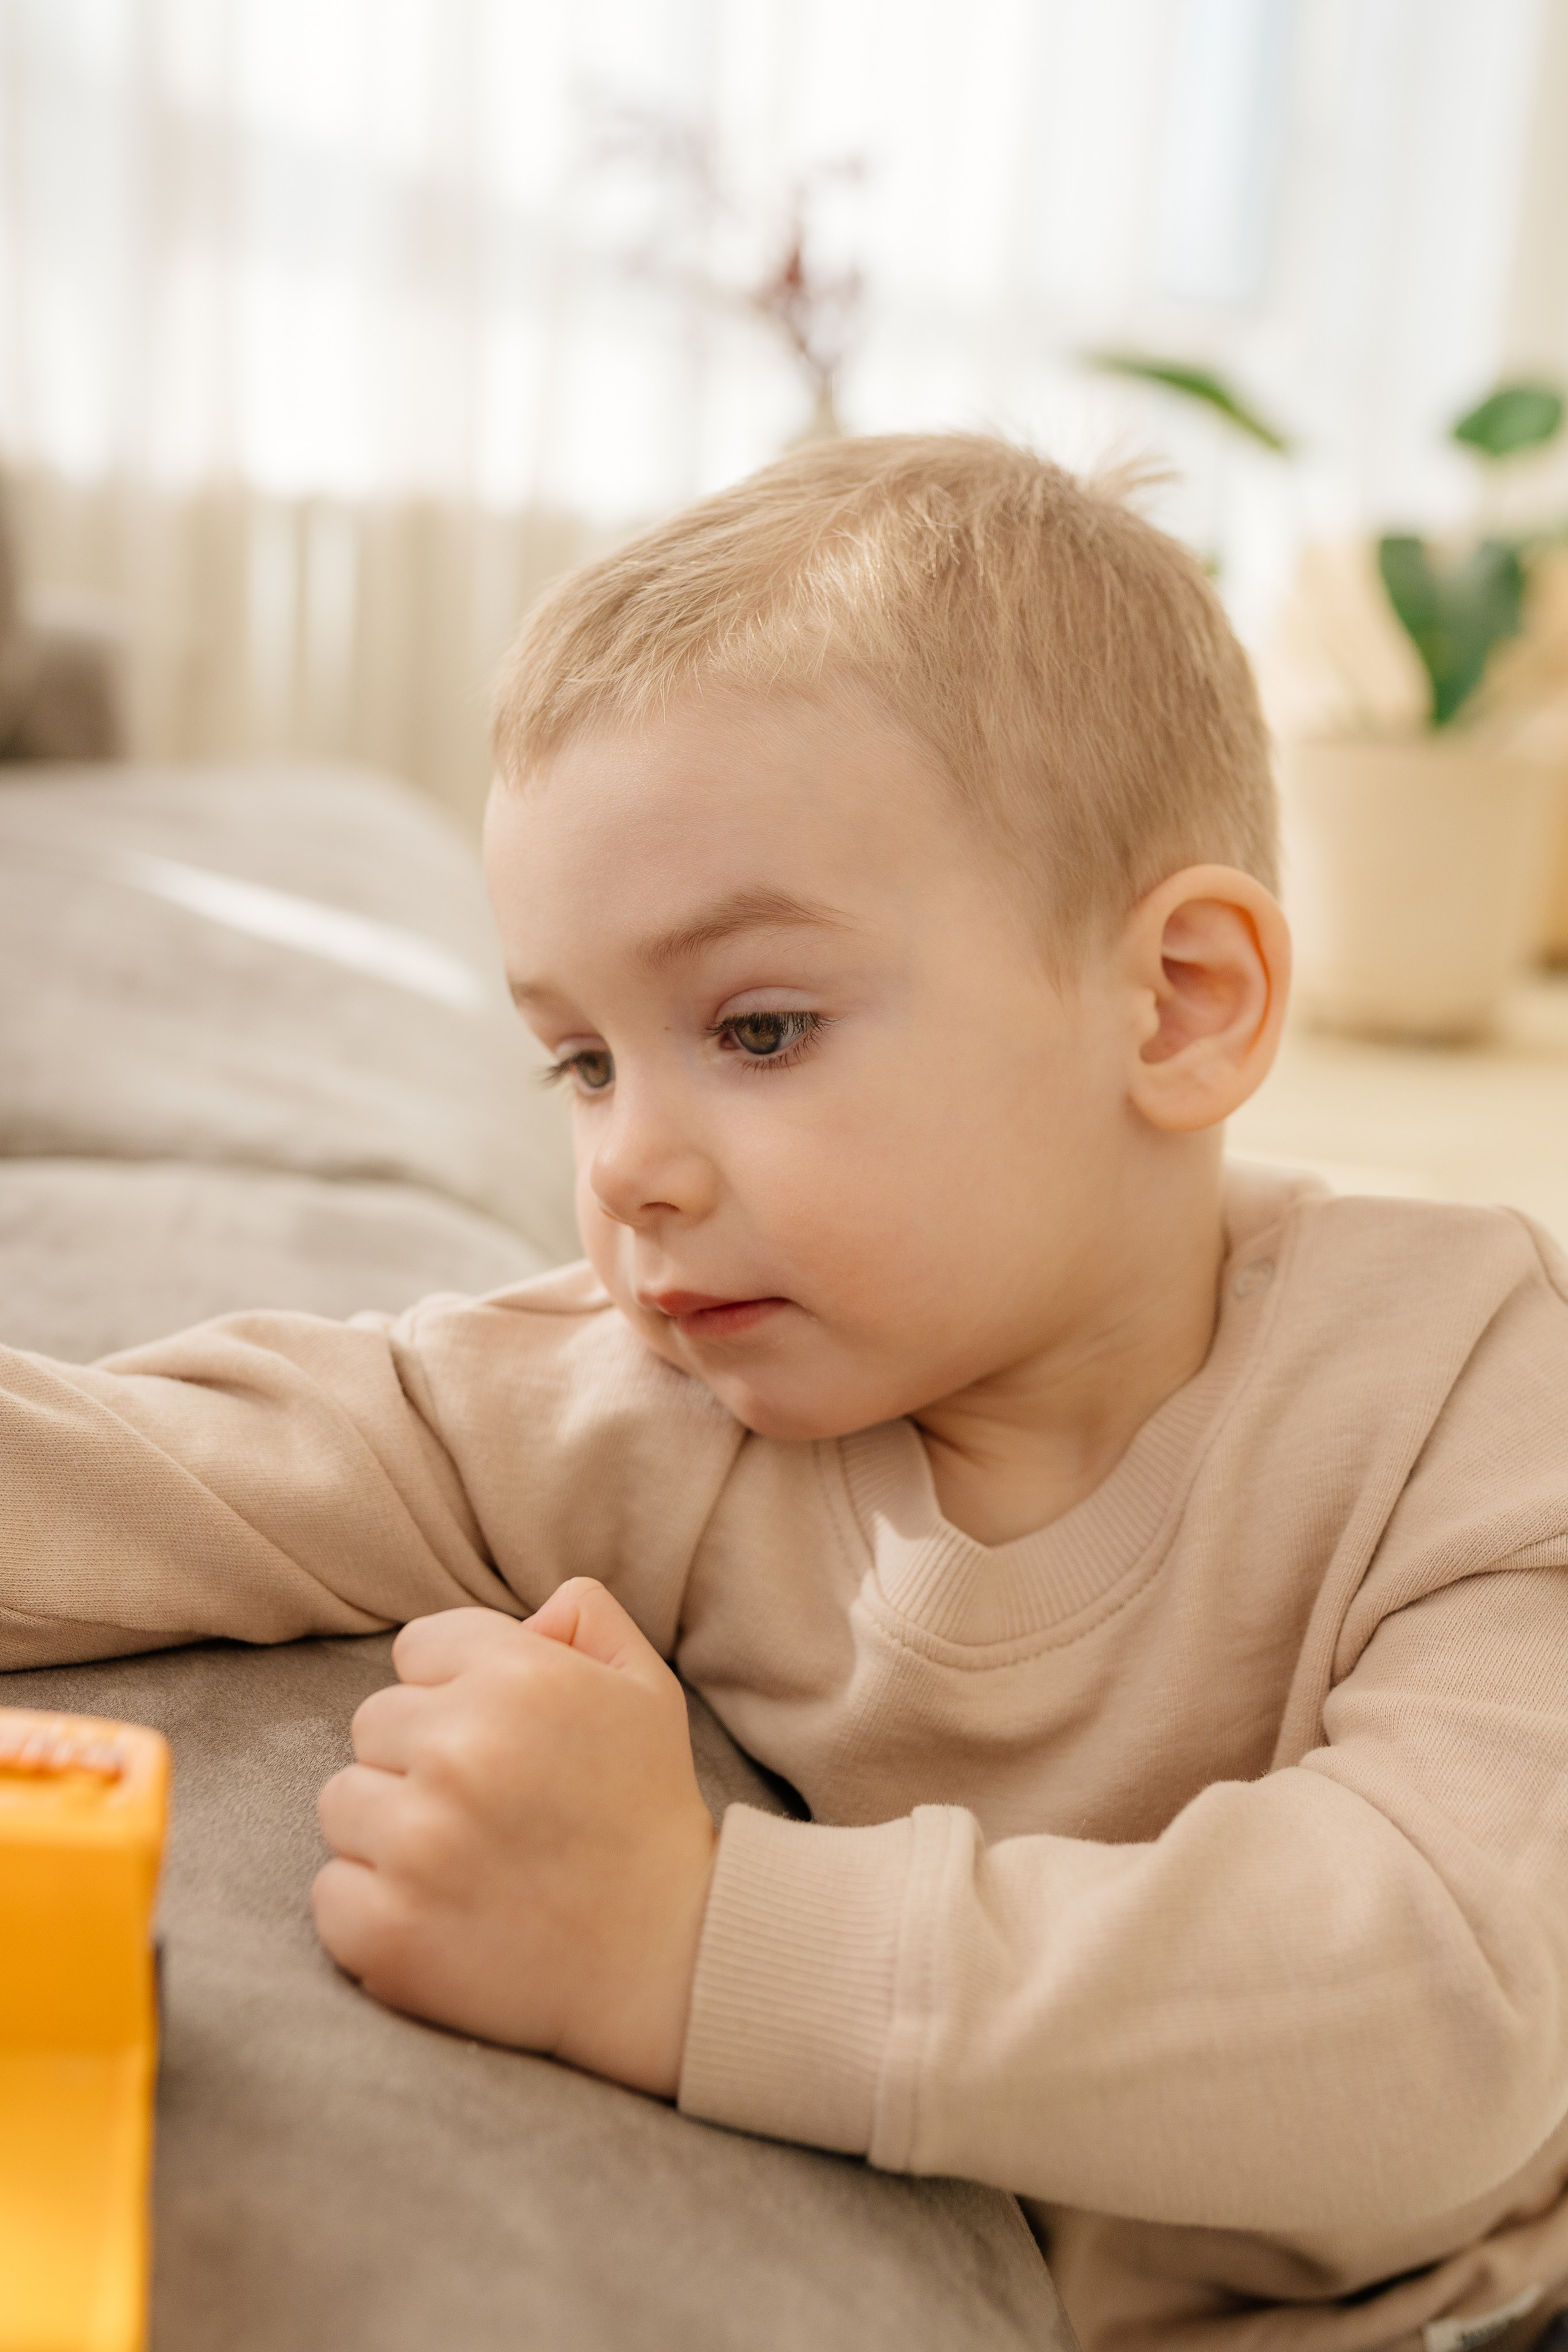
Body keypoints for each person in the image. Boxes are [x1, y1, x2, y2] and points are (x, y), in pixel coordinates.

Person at [6, 435, 1568, 2352]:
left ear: (1180, 1002)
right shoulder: (637, 1400)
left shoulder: (1479, 1386)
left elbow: (1445, 2016)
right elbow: (174, 1467)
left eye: (756, 1027)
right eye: (580, 1062)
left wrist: (691, 1943)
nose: (631, 1168)